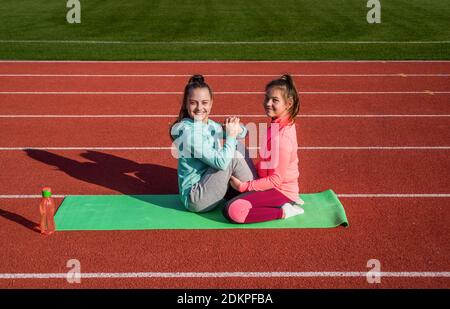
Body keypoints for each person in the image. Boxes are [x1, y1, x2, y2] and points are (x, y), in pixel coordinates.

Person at [224, 74, 305, 223]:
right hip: (267, 183)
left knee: (233, 210)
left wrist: (244, 186)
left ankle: (285, 211)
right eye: (267, 98)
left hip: (282, 191)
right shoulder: (275, 125)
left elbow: (276, 180)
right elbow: (266, 162)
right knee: (227, 194)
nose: (268, 103)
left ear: (288, 104)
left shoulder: (282, 138)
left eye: (274, 100)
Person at [170, 74, 257, 213]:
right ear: (186, 104)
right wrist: (231, 134)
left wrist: (234, 125)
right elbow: (221, 163)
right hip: (196, 197)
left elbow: (243, 133)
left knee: (237, 146)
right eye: (193, 103)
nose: (199, 108)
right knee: (232, 155)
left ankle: (254, 188)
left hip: (209, 184)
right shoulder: (188, 132)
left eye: (204, 102)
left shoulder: (209, 124)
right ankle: (258, 193)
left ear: (211, 103)